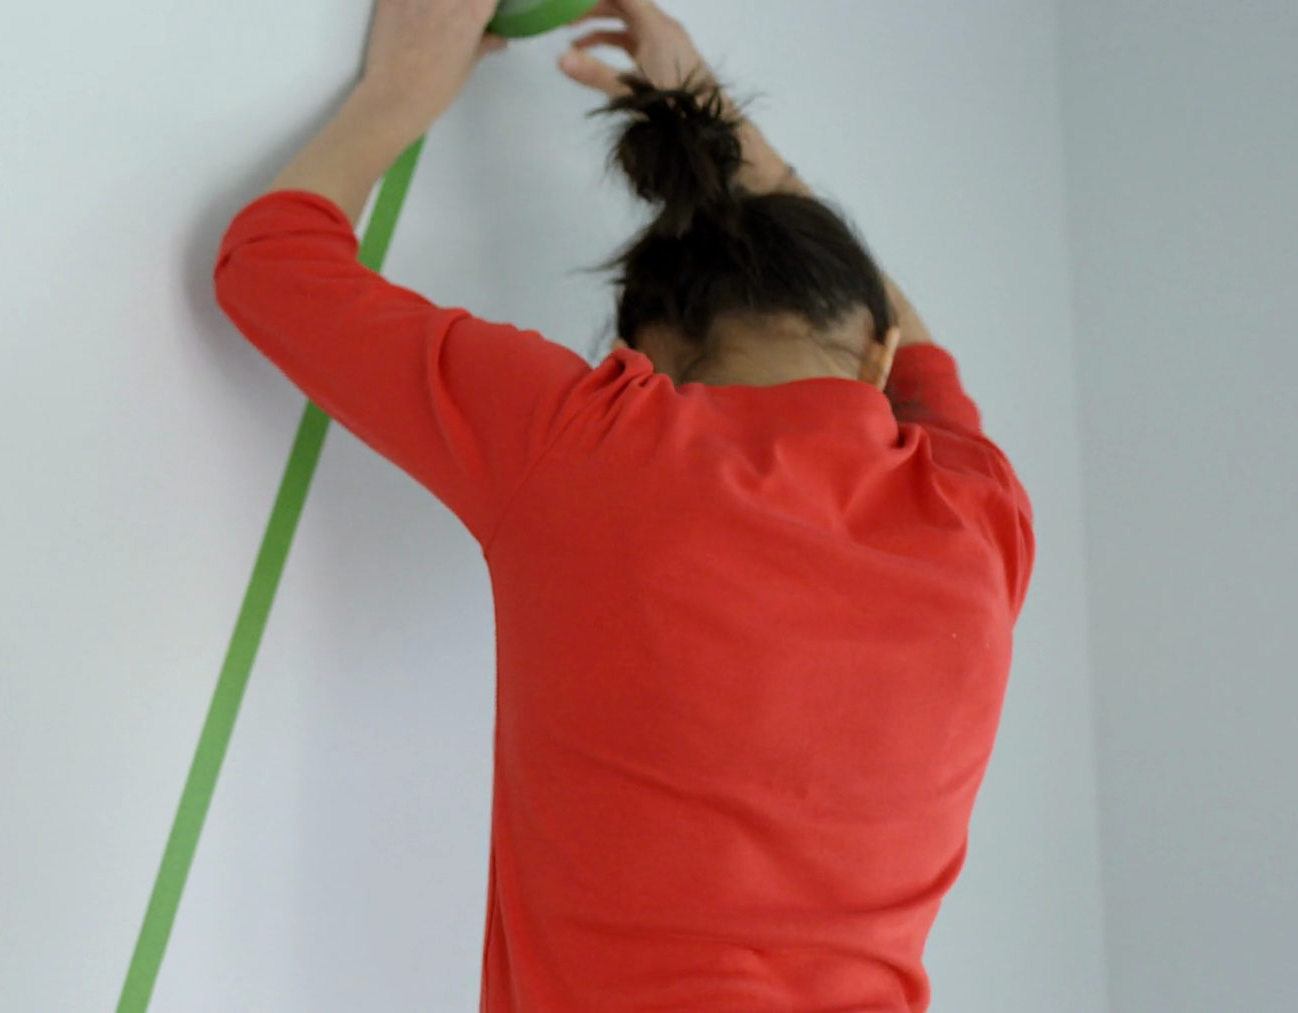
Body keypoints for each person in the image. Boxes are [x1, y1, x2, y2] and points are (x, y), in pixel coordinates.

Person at [212, 0, 1035, 1009]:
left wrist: (399, 91)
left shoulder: (589, 442)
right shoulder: (978, 516)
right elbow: (906, 340)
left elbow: (269, 264)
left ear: (643, 356)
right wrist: (725, 128)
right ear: (876, 353)